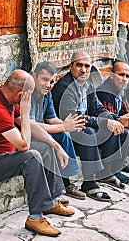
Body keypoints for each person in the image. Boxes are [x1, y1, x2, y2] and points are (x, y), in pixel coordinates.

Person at [0, 70, 74, 237]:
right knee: (31, 156)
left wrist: (56, 145)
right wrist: (25, 112)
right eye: (28, 96)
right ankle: (35, 217)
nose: (29, 100)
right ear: (20, 94)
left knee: (45, 148)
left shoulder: (7, 99)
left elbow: (30, 125)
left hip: (2, 156)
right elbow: (24, 146)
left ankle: (50, 202)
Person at [51, 51, 127, 202]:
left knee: (118, 131)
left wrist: (115, 119)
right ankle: (89, 182)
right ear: (71, 66)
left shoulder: (88, 84)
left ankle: (105, 172)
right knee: (89, 132)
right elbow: (74, 117)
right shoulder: (64, 86)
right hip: (64, 128)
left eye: (87, 66)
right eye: (79, 65)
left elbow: (97, 108)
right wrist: (106, 122)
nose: (83, 70)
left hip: (81, 126)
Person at [30, 61, 88, 200]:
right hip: (25, 136)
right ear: (33, 76)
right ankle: (63, 185)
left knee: (68, 133)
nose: (48, 85)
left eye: (51, 81)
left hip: (39, 132)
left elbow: (51, 119)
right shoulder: (28, 93)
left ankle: (68, 180)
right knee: (58, 137)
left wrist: (70, 124)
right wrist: (63, 127)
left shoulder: (47, 93)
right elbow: (31, 126)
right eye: (44, 79)